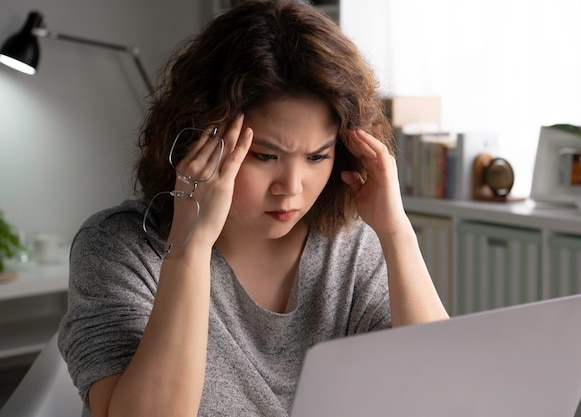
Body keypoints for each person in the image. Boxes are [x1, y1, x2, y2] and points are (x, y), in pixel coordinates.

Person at [58, 1, 449, 416]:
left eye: (318, 157)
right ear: (198, 143)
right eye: (264, 156)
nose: (291, 189)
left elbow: (444, 391)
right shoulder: (119, 249)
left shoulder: (349, 247)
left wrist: (396, 232)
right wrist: (190, 246)